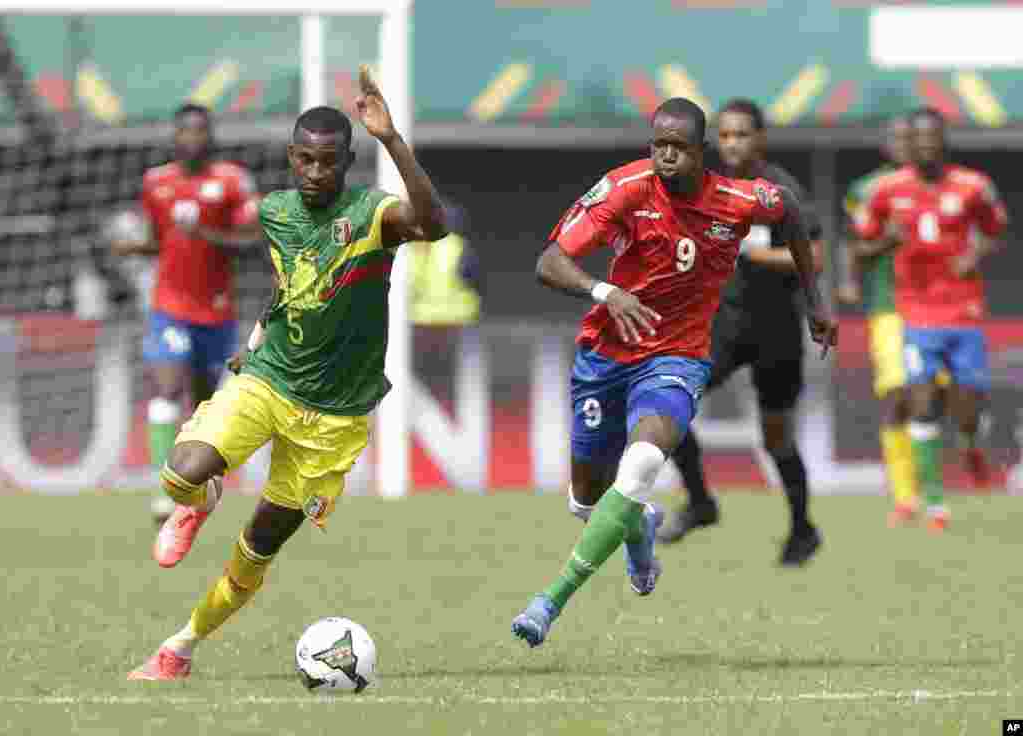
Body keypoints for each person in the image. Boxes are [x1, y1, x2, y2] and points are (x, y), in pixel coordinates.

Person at [128, 66, 448, 680]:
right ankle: (202, 498)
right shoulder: (275, 212)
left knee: (256, 549)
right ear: (291, 158)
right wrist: (254, 340)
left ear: (347, 161)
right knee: (179, 475)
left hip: (333, 418)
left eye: (328, 162)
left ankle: (180, 647)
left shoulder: (374, 214)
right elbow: (288, 284)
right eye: (305, 160)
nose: (316, 173)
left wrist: (392, 139)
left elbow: (433, 226)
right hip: (270, 379)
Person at [511, 97, 837, 648]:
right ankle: (637, 523)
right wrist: (606, 291)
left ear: (700, 153)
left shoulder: (739, 197)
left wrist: (815, 302)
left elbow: (789, 215)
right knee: (585, 501)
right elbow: (549, 261)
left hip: (677, 356)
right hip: (606, 355)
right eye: (657, 144)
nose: (664, 155)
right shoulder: (624, 189)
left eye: (677, 148)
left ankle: (549, 602)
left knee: (639, 463)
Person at [655, 99, 825, 566]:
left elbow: (813, 256)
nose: (732, 143)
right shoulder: (704, 186)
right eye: (725, 135)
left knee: (777, 439)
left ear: (761, 139)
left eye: (742, 135)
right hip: (720, 326)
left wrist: (752, 256)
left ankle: (802, 529)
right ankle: (700, 501)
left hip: (775, 331)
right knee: (667, 404)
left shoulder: (780, 189)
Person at [854, 107, 1008, 532]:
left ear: (943, 141)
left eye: (931, 138)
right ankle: (934, 505)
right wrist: (886, 241)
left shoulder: (974, 187)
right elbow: (861, 244)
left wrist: (975, 253)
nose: (924, 145)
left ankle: (972, 441)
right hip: (915, 313)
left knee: (967, 407)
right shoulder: (886, 191)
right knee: (919, 402)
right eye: (917, 138)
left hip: (964, 312)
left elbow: (997, 229)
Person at [110, 104, 262, 526]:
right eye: (184, 131)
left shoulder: (232, 181)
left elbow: (252, 240)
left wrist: (205, 234)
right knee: (165, 389)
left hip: (216, 311)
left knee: (201, 407)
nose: (191, 138)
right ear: (174, 136)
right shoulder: (155, 183)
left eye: (199, 131)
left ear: (210, 136)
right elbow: (161, 242)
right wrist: (133, 248)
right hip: (169, 306)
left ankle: (191, 488)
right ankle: (163, 488)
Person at [837, 116, 921, 525]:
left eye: (913, 138)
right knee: (897, 396)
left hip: (942, 306)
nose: (906, 145)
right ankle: (906, 497)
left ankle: (933, 484)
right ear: (887, 145)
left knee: (936, 399)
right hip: (888, 304)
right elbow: (854, 242)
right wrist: (850, 279)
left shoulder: (948, 186)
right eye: (899, 137)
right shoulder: (868, 190)